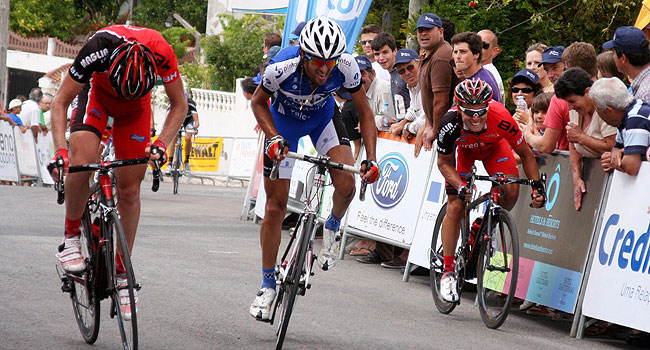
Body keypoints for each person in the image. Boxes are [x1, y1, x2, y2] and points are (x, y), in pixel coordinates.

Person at [48, 24, 188, 321]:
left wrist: (161, 144)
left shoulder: (162, 52)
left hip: (136, 108)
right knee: (83, 160)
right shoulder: (97, 48)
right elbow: (59, 102)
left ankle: (123, 276)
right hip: (96, 95)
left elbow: (179, 105)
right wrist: (61, 150)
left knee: (130, 188)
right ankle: (71, 237)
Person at [248, 17, 379, 321]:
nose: (325, 69)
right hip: (283, 126)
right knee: (276, 208)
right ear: (304, 56)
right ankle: (267, 285)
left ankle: (332, 224)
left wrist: (371, 158)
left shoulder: (346, 66)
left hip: (322, 121)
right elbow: (257, 104)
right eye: (318, 62)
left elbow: (365, 112)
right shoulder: (280, 67)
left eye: (330, 63)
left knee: (346, 184)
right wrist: (274, 137)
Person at [436, 79, 545, 302]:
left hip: (495, 148)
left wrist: (536, 187)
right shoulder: (449, 124)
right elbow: (443, 163)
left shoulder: (501, 117)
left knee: (511, 191)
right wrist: (461, 185)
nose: (475, 118)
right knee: (457, 204)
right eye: (469, 113)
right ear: (459, 108)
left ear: (488, 106)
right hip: (463, 153)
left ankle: (488, 221)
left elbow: (526, 154)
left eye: (481, 111)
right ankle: (447, 271)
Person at [554, 68, 616, 211]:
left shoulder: (604, 109)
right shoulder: (574, 112)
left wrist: (581, 137)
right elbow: (572, 144)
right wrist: (577, 177)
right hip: (592, 181)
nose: (570, 107)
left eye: (573, 101)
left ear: (588, 92)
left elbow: (612, 146)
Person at [415, 13, 457, 151]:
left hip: (449, 128)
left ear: (441, 32)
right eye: (420, 30)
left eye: (428, 30)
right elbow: (429, 97)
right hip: (440, 125)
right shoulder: (428, 53)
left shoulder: (440, 57)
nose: (423, 34)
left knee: (444, 165)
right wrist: (428, 123)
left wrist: (435, 129)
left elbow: (441, 100)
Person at [592, 77, 650, 176]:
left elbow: (631, 166)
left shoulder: (635, 118)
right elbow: (616, 149)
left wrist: (617, 159)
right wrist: (616, 155)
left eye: (597, 111)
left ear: (609, 110)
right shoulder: (625, 116)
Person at [450, 32, 503, 104]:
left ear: (476, 54)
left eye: (463, 52)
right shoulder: (482, 74)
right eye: (455, 52)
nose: (458, 56)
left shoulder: (478, 84)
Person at [603, 26, 650, 102]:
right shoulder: (643, 86)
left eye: (613, 52)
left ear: (623, 58)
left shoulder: (645, 94)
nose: (613, 56)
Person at [370, 32, 411, 118]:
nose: (381, 58)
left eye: (385, 52)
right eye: (377, 54)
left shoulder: (405, 74)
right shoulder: (392, 75)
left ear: (395, 51)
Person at [390, 49, 425, 143]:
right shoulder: (411, 86)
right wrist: (403, 122)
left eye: (410, 67)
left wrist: (407, 127)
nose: (407, 73)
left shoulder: (427, 84)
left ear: (420, 64)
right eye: (401, 71)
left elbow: (425, 120)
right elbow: (413, 109)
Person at [355, 55, 395, 131]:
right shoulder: (361, 92)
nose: (358, 79)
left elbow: (390, 120)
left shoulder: (382, 89)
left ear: (372, 74)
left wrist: (367, 122)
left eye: (362, 74)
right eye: (355, 75)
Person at [166, 92, 199, 172]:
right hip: (177, 119)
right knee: (174, 137)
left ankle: (186, 161)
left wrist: (194, 128)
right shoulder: (173, 103)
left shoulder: (191, 104)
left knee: (188, 137)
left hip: (188, 120)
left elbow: (197, 122)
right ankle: (169, 163)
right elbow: (168, 119)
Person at [478, 29, 505, 101]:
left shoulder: (486, 73)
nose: (478, 48)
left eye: (484, 45)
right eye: (476, 43)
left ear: (494, 51)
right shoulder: (483, 71)